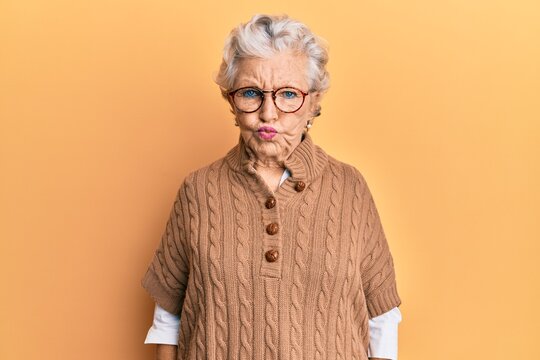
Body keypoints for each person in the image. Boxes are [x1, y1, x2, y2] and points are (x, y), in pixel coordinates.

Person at [141, 14, 402, 360]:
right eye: (251, 93)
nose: (268, 113)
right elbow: (168, 319)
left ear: (313, 101)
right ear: (231, 101)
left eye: (288, 94)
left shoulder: (350, 188)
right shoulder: (197, 191)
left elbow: (382, 319)